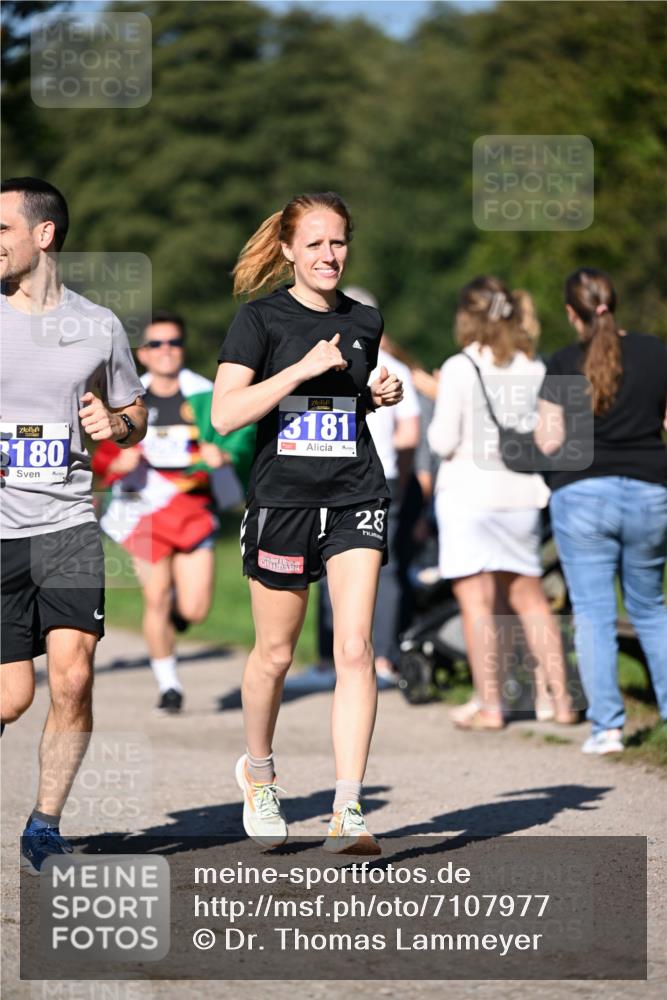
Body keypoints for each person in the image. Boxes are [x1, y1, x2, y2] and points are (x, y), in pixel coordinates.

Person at [212, 192, 403, 853]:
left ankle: (347, 811)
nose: (329, 254)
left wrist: (371, 398)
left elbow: (335, 411)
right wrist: (300, 368)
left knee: (355, 650)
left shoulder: (365, 320)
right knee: (274, 655)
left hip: (356, 494)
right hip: (282, 504)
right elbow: (227, 414)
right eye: (316, 243)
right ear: (289, 249)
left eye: (339, 242)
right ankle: (259, 776)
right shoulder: (258, 319)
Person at [0, 177, 147, 872]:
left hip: (67, 526)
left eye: (2, 229)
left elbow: (136, 414)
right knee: (11, 695)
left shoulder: (98, 325)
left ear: (43, 235)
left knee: (73, 677)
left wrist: (114, 422)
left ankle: (44, 825)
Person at [428, 275, 575, 730]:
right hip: (522, 493)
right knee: (530, 599)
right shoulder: (534, 365)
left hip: (469, 493)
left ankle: (491, 704)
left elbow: (441, 439)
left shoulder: (458, 367)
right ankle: (562, 699)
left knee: (477, 602)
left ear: (467, 316)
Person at [92, 312, 255, 712]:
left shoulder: (205, 394)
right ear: (143, 355)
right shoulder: (129, 401)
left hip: (194, 509)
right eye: (156, 344)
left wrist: (225, 456)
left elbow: (240, 438)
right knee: (156, 598)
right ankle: (169, 686)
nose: (166, 351)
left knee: (195, 608)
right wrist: (116, 466)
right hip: (144, 511)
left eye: (174, 343)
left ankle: (178, 623)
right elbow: (101, 460)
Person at [537, 268, 667, 754]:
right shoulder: (656, 352)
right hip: (651, 491)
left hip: (582, 495)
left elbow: (549, 441)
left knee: (592, 614)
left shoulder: (565, 361)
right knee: (651, 609)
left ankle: (608, 728)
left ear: (574, 314)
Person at [289, 287, 421, 689]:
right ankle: (383, 658)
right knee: (388, 567)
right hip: (387, 477)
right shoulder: (398, 365)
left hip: (335, 477)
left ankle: (331, 661)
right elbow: (410, 435)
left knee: (327, 566)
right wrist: (401, 473)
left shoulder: (325, 362)